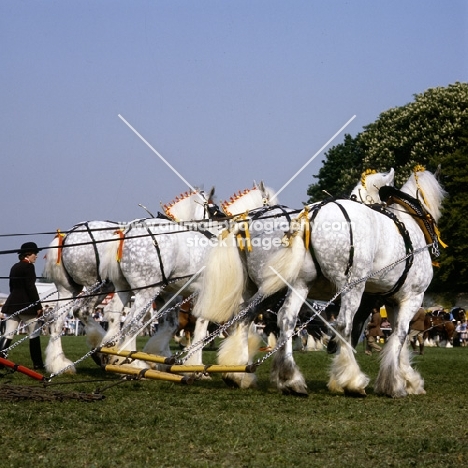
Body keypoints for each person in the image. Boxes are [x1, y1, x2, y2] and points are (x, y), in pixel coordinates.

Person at [0, 242, 45, 369]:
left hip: (13, 304)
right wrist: (38, 306)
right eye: (35, 253)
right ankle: (37, 364)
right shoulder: (29, 267)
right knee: (34, 334)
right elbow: (31, 287)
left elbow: (11, 287)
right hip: (26, 306)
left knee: (8, 334)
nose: (36, 256)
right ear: (28, 254)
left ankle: (0, 361)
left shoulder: (15, 266)